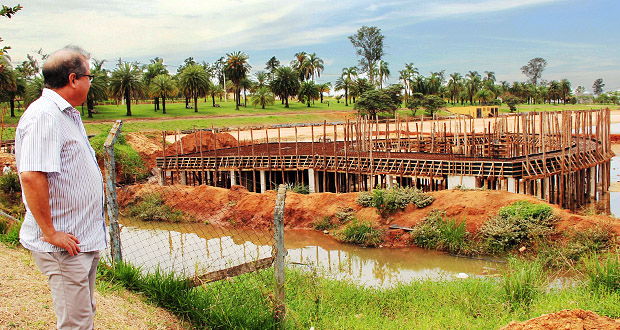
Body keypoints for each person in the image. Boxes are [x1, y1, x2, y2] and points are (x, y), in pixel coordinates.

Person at [15, 46, 105, 330]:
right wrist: (50, 232)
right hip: (64, 246)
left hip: (80, 240)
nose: (92, 82)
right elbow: (31, 175)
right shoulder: (45, 116)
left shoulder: (65, 114)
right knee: (75, 323)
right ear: (73, 79)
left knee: (83, 313)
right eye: (89, 76)